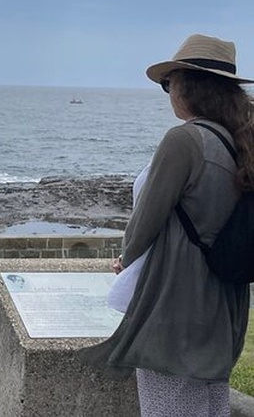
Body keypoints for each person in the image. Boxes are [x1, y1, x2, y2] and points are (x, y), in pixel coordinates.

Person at [79, 34, 254, 415]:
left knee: (168, 403)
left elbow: (146, 219)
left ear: (189, 86)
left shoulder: (185, 140)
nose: (168, 92)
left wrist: (126, 258)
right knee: (210, 405)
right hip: (223, 302)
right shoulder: (240, 141)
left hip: (176, 301)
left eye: (168, 84)